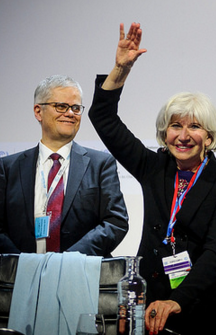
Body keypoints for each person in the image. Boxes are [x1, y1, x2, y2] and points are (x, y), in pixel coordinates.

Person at [88, 23, 216, 334]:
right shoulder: (152, 166)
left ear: (210, 137)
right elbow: (103, 118)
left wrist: (178, 300)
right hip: (151, 301)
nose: (183, 136)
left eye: (194, 127)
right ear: (164, 132)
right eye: (175, 126)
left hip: (205, 305)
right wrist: (121, 69)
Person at [0, 74, 128, 257]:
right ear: (38, 111)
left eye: (76, 108)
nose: (70, 113)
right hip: (21, 277)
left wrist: (69, 261)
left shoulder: (100, 164)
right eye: (61, 106)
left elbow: (116, 221)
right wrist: (22, 264)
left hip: (79, 273)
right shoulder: (8, 167)